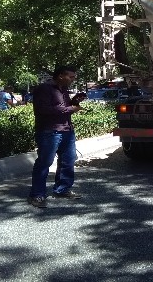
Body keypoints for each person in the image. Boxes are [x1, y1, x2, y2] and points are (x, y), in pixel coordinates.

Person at [27, 65, 87, 208]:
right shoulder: (44, 89)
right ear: (61, 76)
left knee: (68, 160)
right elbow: (43, 110)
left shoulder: (63, 89)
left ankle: (62, 189)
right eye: (71, 77)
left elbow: (62, 107)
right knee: (44, 163)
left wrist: (74, 102)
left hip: (67, 130)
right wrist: (70, 109)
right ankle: (37, 195)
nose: (73, 79)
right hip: (50, 131)